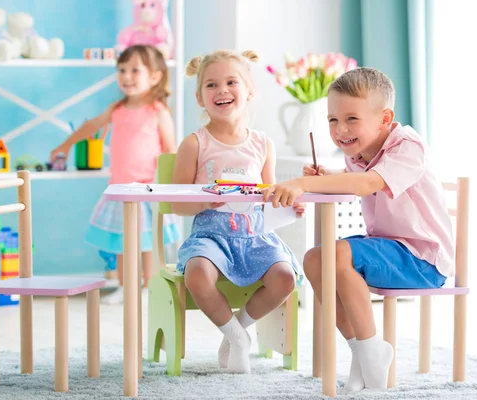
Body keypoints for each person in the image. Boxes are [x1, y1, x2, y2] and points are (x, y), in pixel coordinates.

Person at [262, 67, 454, 391]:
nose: (340, 130)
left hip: (422, 259)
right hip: (387, 248)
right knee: (314, 259)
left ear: (384, 118)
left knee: (336, 255)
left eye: (352, 119)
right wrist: (328, 174)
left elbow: (368, 182)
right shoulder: (358, 152)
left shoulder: (408, 146)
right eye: (333, 120)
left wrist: (302, 182)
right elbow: (358, 175)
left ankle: (370, 351)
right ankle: (364, 351)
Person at [172, 49, 305, 374]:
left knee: (286, 278)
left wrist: (288, 203)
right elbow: (176, 202)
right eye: (212, 85)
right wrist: (205, 201)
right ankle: (236, 336)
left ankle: (236, 331)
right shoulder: (194, 144)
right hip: (211, 236)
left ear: (249, 91)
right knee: (197, 275)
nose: (222, 91)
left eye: (231, 82)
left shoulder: (263, 144)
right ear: (200, 97)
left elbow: (269, 196)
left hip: (255, 234)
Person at [50, 45, 181, 305]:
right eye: (122, 70)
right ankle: (124, 286)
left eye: (135, 70)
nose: (127, 76)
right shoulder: (117, 109)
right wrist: (66, 144)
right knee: (121, 244)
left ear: (155, 77)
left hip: (146, 190)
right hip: (120, 189)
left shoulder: (158, 112)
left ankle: (146, 288)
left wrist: (171, 185)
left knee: (145, 245)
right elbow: (91, 126)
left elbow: (171, 150)